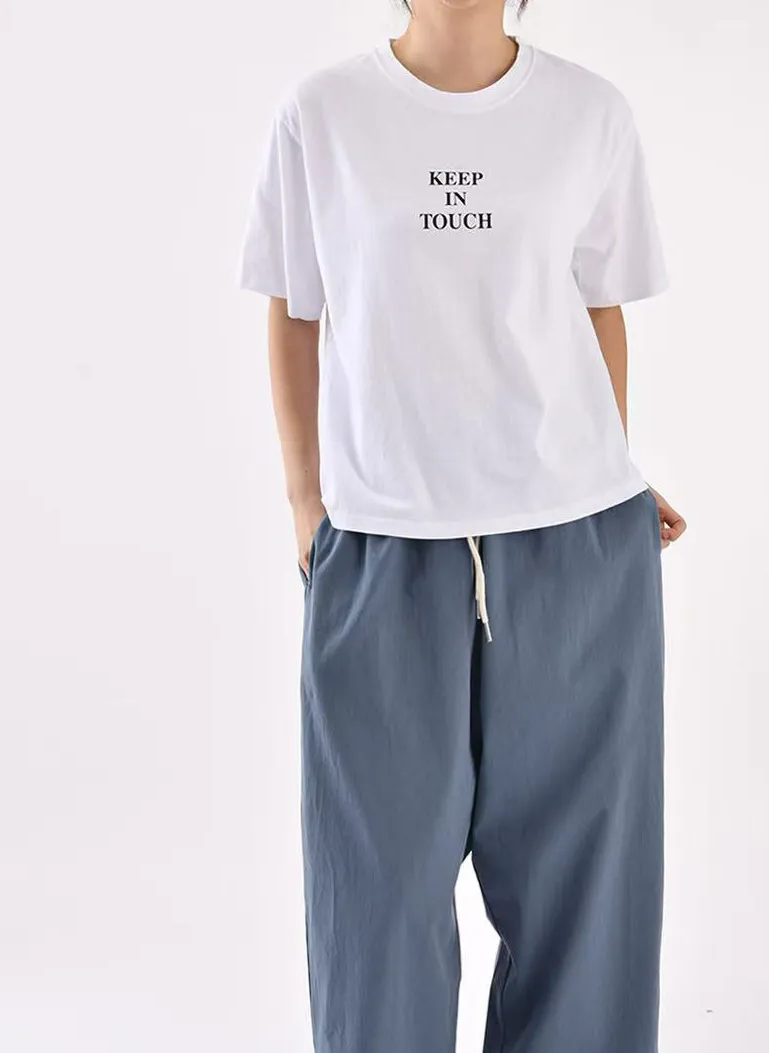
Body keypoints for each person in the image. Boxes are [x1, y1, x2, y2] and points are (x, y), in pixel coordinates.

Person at [236, 1, 686, 1051]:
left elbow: (596, 309)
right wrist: (306, 506)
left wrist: (607, 473)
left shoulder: (588, 112)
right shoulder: (324, 113)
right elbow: (294, 311)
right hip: (382, 550)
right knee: (375, 903)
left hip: (577, 550)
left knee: (585, 901)